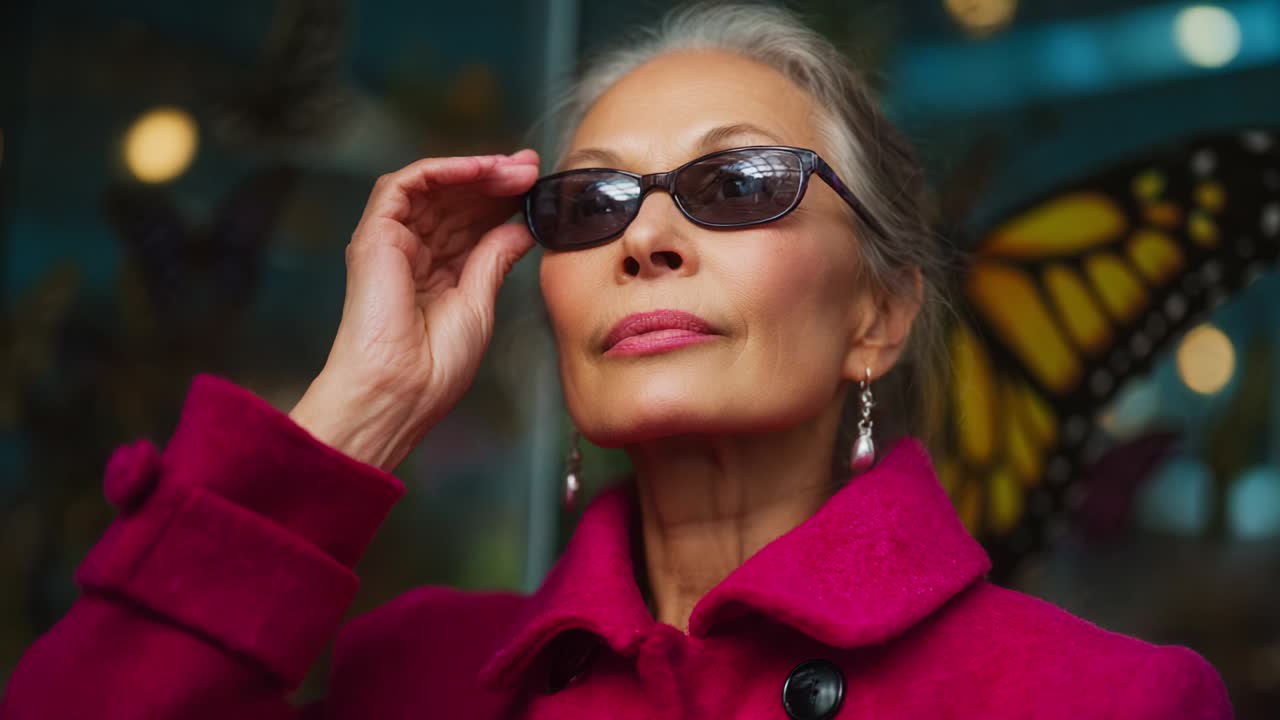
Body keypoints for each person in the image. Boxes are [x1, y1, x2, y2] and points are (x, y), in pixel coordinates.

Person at [0, 3, 1232, 718]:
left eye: (736, 182)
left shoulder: (1099, 700)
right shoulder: (413, 674)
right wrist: (358, 412)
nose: (643, 237)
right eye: (589, 205)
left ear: (880, 314)